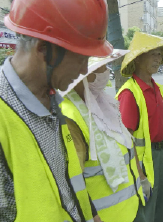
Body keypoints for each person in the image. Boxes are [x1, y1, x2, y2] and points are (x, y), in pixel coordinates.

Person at [0, 0, 112, 221]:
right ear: (43, 48)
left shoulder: (53, 102)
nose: (83, 71)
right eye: (80, 59)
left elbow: (68, 182)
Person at [60, 50, 147, 222]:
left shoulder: (104, 103)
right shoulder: (70, 116)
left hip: (132, 207)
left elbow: (128, 143)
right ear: (83, 73)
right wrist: (90, 215)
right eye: (100, 67)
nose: (106, 72)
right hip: (106, 216)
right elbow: (71, 180)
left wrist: (142, 178)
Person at [116, 32, 163, 222]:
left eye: (159, 54)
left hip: (161, 159)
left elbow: (157, 126)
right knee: (146, 215)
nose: (158, 58)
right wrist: (141, 176)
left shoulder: (157, 88)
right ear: (138, 58)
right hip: (143, 163)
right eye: (152, 54)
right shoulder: (129, 93)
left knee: (161, 212)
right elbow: (126, 140)